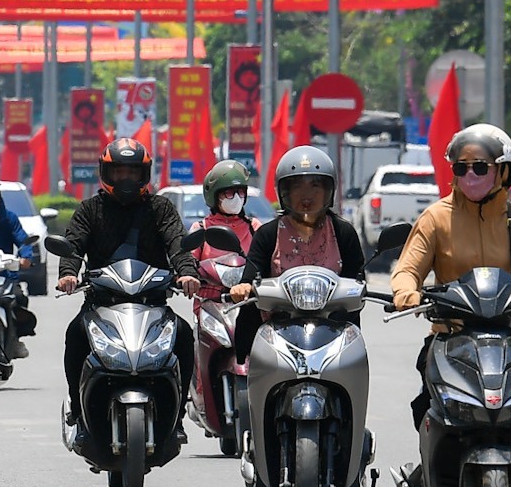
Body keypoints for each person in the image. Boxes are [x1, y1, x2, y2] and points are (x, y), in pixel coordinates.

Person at [390, 124, 511, 433]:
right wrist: (405, 292)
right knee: (431, 409)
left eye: (480, 167)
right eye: (460, 167)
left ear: (503, 171)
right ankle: (431, 468)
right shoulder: (436, 217)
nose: (469, 176)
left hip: (509, 335)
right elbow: (408, 269)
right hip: (450, 336)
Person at [52, 138, 201, 439]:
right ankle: (77, 412)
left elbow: (177, 243)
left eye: (132, 172)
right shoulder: (89, 210)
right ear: (106, 174)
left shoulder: (160, 208)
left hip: (153, 304)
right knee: (75, 335)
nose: (126, 179)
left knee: (184, 336)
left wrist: (186, 273)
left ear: (144, 174)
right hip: (101, 303)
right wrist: (68, 274)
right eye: (118, 172)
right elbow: (73, 247)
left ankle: (178, 414)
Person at [226, 147, 367, 357]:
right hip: (277, 332)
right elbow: (251, 275)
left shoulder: (343, 232)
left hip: (333, 332)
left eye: (316, 186)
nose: (307, 195)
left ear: (330, 190)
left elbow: (358, 281)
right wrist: (244, 287)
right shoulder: (268, 233)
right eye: (297, 186)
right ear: (284, 192)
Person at [198, 159, 261, 255]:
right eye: (229, 193)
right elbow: (189, 262)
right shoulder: (202, 228)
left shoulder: (253, 227)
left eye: (240, 192)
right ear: (215, 196)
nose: (236, 198)